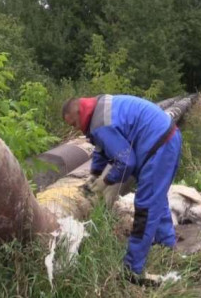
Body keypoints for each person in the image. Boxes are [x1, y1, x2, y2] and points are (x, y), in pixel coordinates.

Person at [62, 95, 182, 277]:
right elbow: (102, 148)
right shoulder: (97, 112)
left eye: (73, 124)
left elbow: (126, 163)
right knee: (155, 198)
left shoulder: (100, 124)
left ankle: (132, 269)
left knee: (145, 207)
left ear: (79, 112)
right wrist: (94, 174)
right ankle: (166, 244)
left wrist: (106, 181)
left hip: (160, 145)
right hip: (164, 138)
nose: (75, 128)